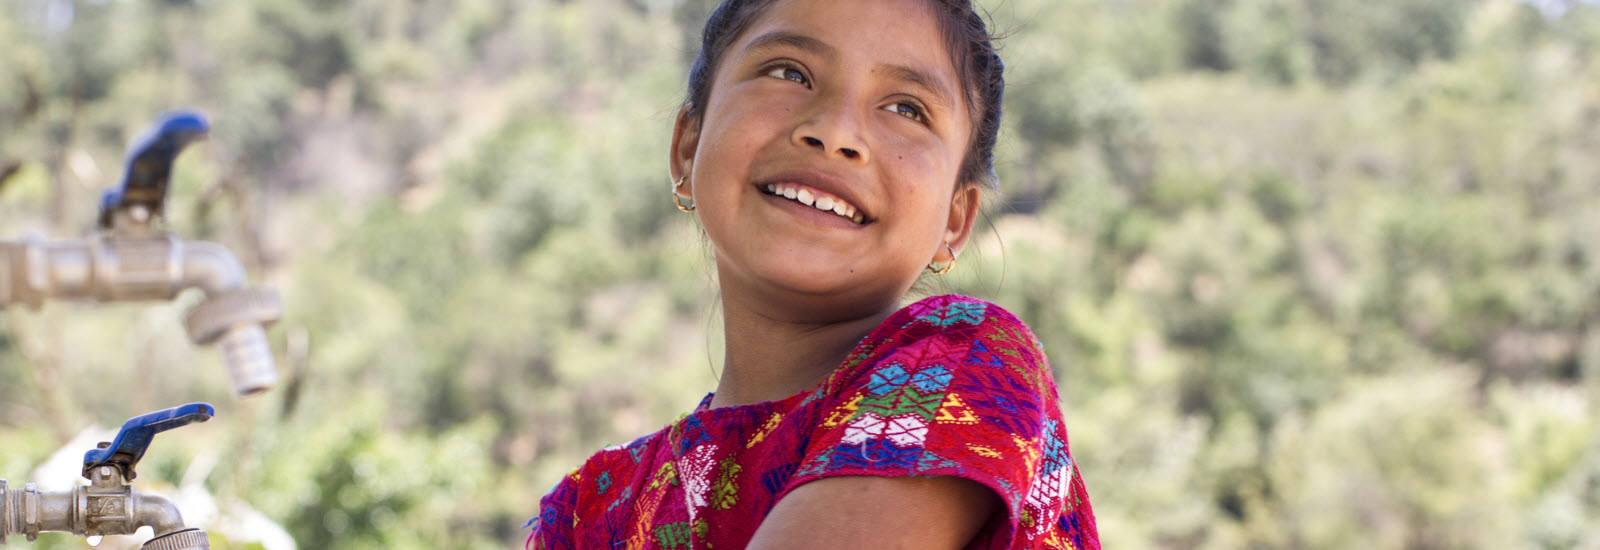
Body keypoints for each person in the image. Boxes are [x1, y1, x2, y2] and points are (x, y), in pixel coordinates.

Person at [526, 0, 1099, 548]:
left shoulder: (966, 366)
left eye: (907, 109)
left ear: (955, 220)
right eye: (789, 73)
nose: (836, 133)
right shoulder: (588, 512)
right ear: (688, 144)